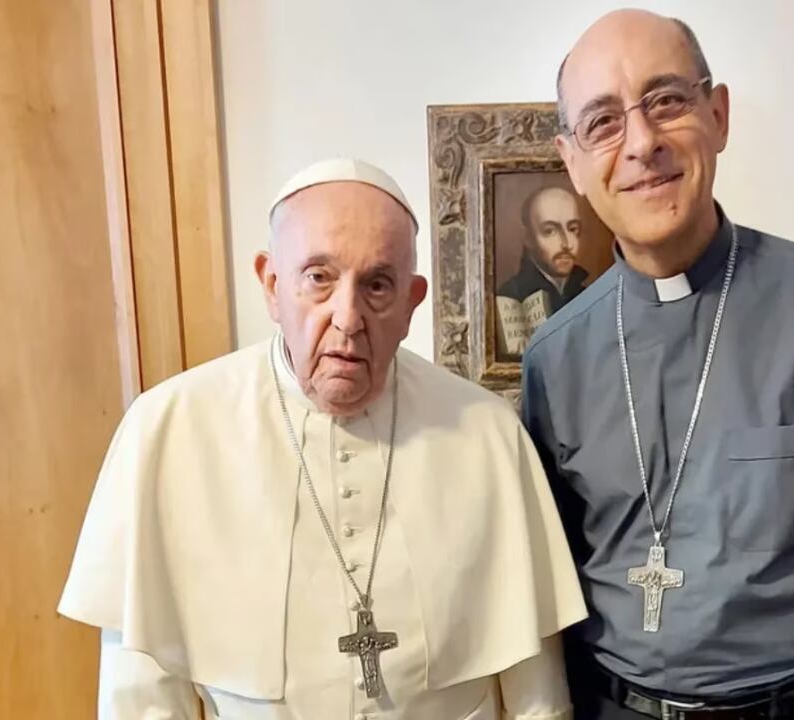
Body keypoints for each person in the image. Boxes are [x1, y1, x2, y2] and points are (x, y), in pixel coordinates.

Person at [60, 158, 588, 719]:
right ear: (271, 285)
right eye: (319, 277)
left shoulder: (486, 434)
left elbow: (537, 692)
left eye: (378, 285)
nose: (347, 317)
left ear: (412, 302)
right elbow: (140, 697)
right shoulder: (167, 431)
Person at [521, 10, 794, 720]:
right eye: (604, 123)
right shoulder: (555, 357)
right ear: (574, 163)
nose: (642, 142)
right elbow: (546, 592)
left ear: (718, 115)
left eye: (667, 102)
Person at [499, 185, 591, 313]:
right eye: (550, 231)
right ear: (528, 238)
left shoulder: (588, 296)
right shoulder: (510, 298)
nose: (566, 244)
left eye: (572, 229)